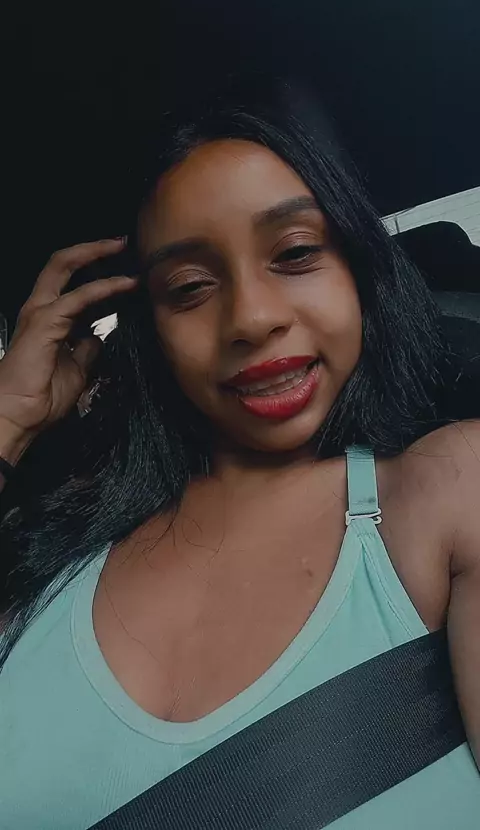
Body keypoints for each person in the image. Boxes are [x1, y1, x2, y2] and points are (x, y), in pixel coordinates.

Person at [0, 87, 479, 829]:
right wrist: (7, 422)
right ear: (150, 332)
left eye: (295, 253)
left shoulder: (449, 491)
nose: (252, 319)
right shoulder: (51, 566)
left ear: (359, 270)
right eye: (190, 287)